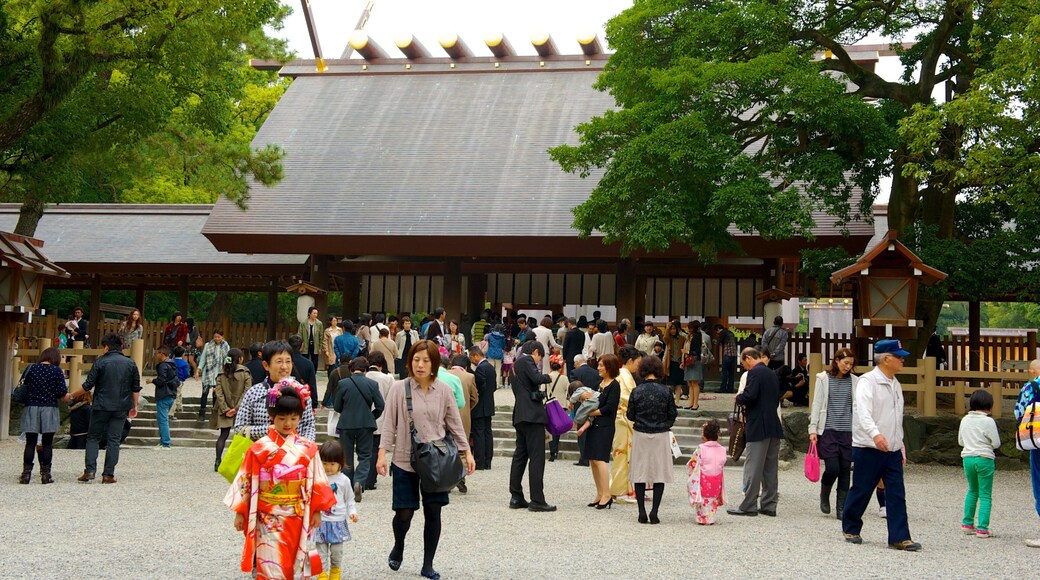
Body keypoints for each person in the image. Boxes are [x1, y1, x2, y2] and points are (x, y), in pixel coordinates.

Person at [376, 340, 475, 580]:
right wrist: (382, 452)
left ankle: (427, 564)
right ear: (410, 362)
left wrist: (466, 451)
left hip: (436, 460)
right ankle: (399, 545)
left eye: (426, 360)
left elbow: (454, 424)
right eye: (416, 359)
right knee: (404, 513)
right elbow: (389, 423)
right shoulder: (399, 388)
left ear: (434, 364)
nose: (420, 365)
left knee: (433, 512)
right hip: (404, 459)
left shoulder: (444, 390)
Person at [225, 383, 336, 579]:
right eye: (282, 418)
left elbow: (318, 480)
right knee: (271, 564)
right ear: (271, 417)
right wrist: (240, 513)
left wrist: (317, 510)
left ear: (300, 418)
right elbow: (246, 481)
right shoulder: (259, 448)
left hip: (298, 514)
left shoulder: (307, 448)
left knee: (297, 563)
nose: (288, 423)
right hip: (268, 517)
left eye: (294, 418)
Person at [841, 339, 921, 551]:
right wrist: (876, 435)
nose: (902, 360)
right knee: (862, 489)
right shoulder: (868, 382)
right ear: (886, 359)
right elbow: (863, 412)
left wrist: (900, 442)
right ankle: (851, 527)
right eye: (899, 356)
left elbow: (896, 417)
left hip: (892, 448)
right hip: (869, 446)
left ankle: (899, 536)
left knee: (896, 493)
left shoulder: (895, 383)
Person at [69, 333, 141, 484]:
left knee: (93, 437)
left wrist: (71, 395)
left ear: (107, 347)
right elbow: (135, 388)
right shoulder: (130, 363)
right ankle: (108, 474)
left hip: (101, 405)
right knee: (114, 440)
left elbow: (88, 385)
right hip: (121, 406)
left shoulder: (100, 362)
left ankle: (89, 470)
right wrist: (134, 405)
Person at [728, 347, 783, 517]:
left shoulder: (754, 373)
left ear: (749, 358)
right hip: (774, 424)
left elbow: (750, 396)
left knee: (754, 466)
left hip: (758, 425)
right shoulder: (772, 374)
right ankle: (769, 504)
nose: (745, 367)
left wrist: (739, 397)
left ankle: (749, 505)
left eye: (744, 363)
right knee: (770, 468)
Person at [808, 348, 859, 519]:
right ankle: (825, 493)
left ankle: (842, 508)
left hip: (848, 431)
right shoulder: (824, 379)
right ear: (836, 361)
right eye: (845, 363)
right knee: (833, 468)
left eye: (851, 364)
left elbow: (858, 407)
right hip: (828, 430)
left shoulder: (855, 381)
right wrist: (813, 429)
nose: (848, 366)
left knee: (845, 469)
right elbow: (817, 404)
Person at [626, 354, 677, 524]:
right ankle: (654, 511)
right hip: (660, 434)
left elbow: (630, 415)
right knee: (659, 473)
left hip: (641, 433)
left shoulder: (636, 391)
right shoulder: (666, 391)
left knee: (640, 472)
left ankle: (641, 511)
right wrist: (663, 424)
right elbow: (672, 414)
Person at [235, 341, 317, 441]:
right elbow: (239, 429)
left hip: (293, 454)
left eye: (288, 361)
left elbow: (308, 426)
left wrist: (303, 448)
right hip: (261, 454)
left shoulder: (301, 392)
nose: (284, 367)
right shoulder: (254, 393)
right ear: (266, 365)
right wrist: (268, 430)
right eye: (279, 361)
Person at [509, 340, 556, 512]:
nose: (538, 362)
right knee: (537, 458)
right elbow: (537, 378)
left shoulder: (514, 366)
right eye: (539, 358)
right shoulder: (526, 360)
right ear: (535, 352)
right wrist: (548, 377)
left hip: (520, 414)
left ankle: (516, 496)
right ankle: (537, 499)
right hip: (532, 415)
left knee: (520, 456)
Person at [333, 357, 385, 503]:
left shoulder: (343, 383)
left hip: (346, 424)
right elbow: (380, 405)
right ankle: (359, 481)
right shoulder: (372, 384)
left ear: (351, 369)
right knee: (365, 455)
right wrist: (372, 416)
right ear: (366, 370)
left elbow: (337, 406)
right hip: (365, 424)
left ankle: (349, 485)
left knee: (347, 456)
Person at [16, 347, 68, 484]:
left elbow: (24, 387)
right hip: (49, 408)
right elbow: (62, 391)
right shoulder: (56, 371)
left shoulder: (31, 368)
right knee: (47, 443)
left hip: (31, 407)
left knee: (30, 442)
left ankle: (26, 474)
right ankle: (46, 475)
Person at [578, 353, 621, 509]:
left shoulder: (614, 385)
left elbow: (609, 408)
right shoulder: (599, 384)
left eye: (601, 365)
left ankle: (607, 494)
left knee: (600, 459)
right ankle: (599, 492)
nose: (598, 367)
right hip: (593, 425)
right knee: (592, 460)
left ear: (609, 367)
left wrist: (590, 412)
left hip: (605, 426)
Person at [959, 389, 1000, 539]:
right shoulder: (988, 421)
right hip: (984, 458)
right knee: (985, 494)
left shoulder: (965, 420)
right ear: (989, 405)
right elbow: (996, 443)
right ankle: (982, 528)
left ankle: (967, 523)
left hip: (968, 458)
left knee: (972, 490)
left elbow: (960, 441)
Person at [316, 440, 359, 580]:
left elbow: (349, 499)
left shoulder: (344, 480)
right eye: (325, 463)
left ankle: (335, 572)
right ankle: (321, 574)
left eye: (332, 464)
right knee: (320, 551)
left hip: (337, 521)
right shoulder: (316, 478)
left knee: (336, 551)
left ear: (340, 463)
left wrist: (352, 512)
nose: (328, 467)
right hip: (320, 521)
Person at [609, 346, 642, 501]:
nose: (638, 366)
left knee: (622, 454)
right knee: (622, 454)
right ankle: (621, 491)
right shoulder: (625, 375)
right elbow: (626, 398)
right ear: (630, 361)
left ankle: (621, 489)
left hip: (622, 418)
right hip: (623, 418)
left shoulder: (622, 374)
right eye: (637, 362)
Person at [213, 348, 250, 471]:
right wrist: (237, 408)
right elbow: (247, 392)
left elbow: (218, 393)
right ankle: (236, 463)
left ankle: (218, 460)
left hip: (225, 408)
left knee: (223, 435)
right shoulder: (245, 373)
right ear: (240, 358)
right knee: (239, 436)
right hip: (241, 409)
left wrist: (225, 408)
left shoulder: (221, 373)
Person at [1016, 360, 1040, 548]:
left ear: (1033, 371)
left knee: (1039, 484)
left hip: (1038, 441)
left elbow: (1020, 412)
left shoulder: (1030, 387)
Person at [447, 354, 479, 493]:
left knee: (446, 447)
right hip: (462, 416)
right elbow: (474, 398)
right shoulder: (469, 377)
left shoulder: (444, 374)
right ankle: (461, 478)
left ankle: (446, 479)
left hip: (445, 416)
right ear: (466, 366)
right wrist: (466, 409)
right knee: (461, 447)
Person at [364, 351, 395, 490]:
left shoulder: (363, 376)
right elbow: (391, 398)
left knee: (364, 450)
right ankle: (371, 478)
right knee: (376, 449)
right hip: (381, 417)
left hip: (363, 417)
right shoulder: (387, 378)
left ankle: (362, 477)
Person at [687, 420, 728, 525]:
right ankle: (710, 517)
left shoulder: (701, 449)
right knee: (712, 499)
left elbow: (693, 462)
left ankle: (703, 517)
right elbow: (722, 462)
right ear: (717, 436)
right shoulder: (722, 450)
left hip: (704, 478)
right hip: (716, 478)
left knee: (703, 499)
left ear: (704, 436)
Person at [468, 346, 497, 470]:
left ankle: (479, 461)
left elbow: (480, 387)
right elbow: (494, 386)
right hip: (489, 404)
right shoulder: (490, 367)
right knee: (487, 432)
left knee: (479, 433)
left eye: (471, 357)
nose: (471, 360)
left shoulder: (480, 369)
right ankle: (488, 460)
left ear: (475, 355)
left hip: (480, 405)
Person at [149, 346, 180, 450]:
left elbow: (161, 381)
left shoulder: (163, 366)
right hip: (171, 393)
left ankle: (165, 443)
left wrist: (152, 380)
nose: (156, 355)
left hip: (164, 394)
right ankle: (163, 441)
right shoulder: (172, 364)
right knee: (163, 419)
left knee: (162, 420)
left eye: (157, 353)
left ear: (162, 354)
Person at [197, 329, 230, 422]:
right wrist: (198, 370)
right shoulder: (208, 345)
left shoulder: (226, 346)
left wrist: (228, 371)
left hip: (219, 373)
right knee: (204, 393)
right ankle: (201, 414)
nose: (217, 338)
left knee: (216, 394)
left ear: (222, 337)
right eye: (215, 336)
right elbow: (203, 358)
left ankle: (215, 415)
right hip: (208, 373)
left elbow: (227, 359)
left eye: (219, 337)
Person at [545, 359, 569, 462]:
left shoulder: (547, 377)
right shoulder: (564, 378)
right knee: (558, 428)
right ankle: (556, 450)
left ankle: (552, 451)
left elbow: (542, 390)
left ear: (551, 368)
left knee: (550, 428)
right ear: (559, 369)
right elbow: (568, 390)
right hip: (561, 405)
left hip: (550, 404)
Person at [289, 334, 319, 410]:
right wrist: (314, 405)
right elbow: (312, 385)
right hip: (303, 398)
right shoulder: (308, 363)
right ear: (302, 346)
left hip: (286, 398)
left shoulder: (285, 363)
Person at [682, 321, 705, 410]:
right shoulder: (690, 336)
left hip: (694, 361)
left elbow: (696, 351)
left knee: (694, 383)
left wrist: (687, 352)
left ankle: (695, 403)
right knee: (690, 383)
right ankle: (691, 402)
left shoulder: (696, 337)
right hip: (689, 361)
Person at [662, 320, 687, 403]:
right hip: (670, 362)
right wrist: (667, 328)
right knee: (670, 383)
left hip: (679, 362)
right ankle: (670, 401)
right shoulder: (668, 339)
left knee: (679, 383)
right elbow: (665, 338)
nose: (673, 331)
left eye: (674, 329)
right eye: (671, 329)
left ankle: (677, 401)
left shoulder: (682, 338)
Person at [714, 324, 738, 394]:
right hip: (734, 355)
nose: (717, 333)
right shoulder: (730, 333)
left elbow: (718, 342)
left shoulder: (723, 333)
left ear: (718, 329)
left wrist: (714, 341)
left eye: (717, 331)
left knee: (724, 373)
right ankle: (730, 388)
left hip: (727, 354)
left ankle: (723, 388)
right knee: (731, 373)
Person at [299, 306, 325, 370]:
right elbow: (299, 334)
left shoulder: (319, 323)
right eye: (314, 313)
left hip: (315, 345)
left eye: (316, 313)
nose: (315, 315)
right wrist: (300, 345)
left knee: (315, 362)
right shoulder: (303, 323)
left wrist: (320, 347)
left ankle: (313, 374)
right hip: (305, 345)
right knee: (304, 361)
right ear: (309, 313)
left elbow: (321, 336)